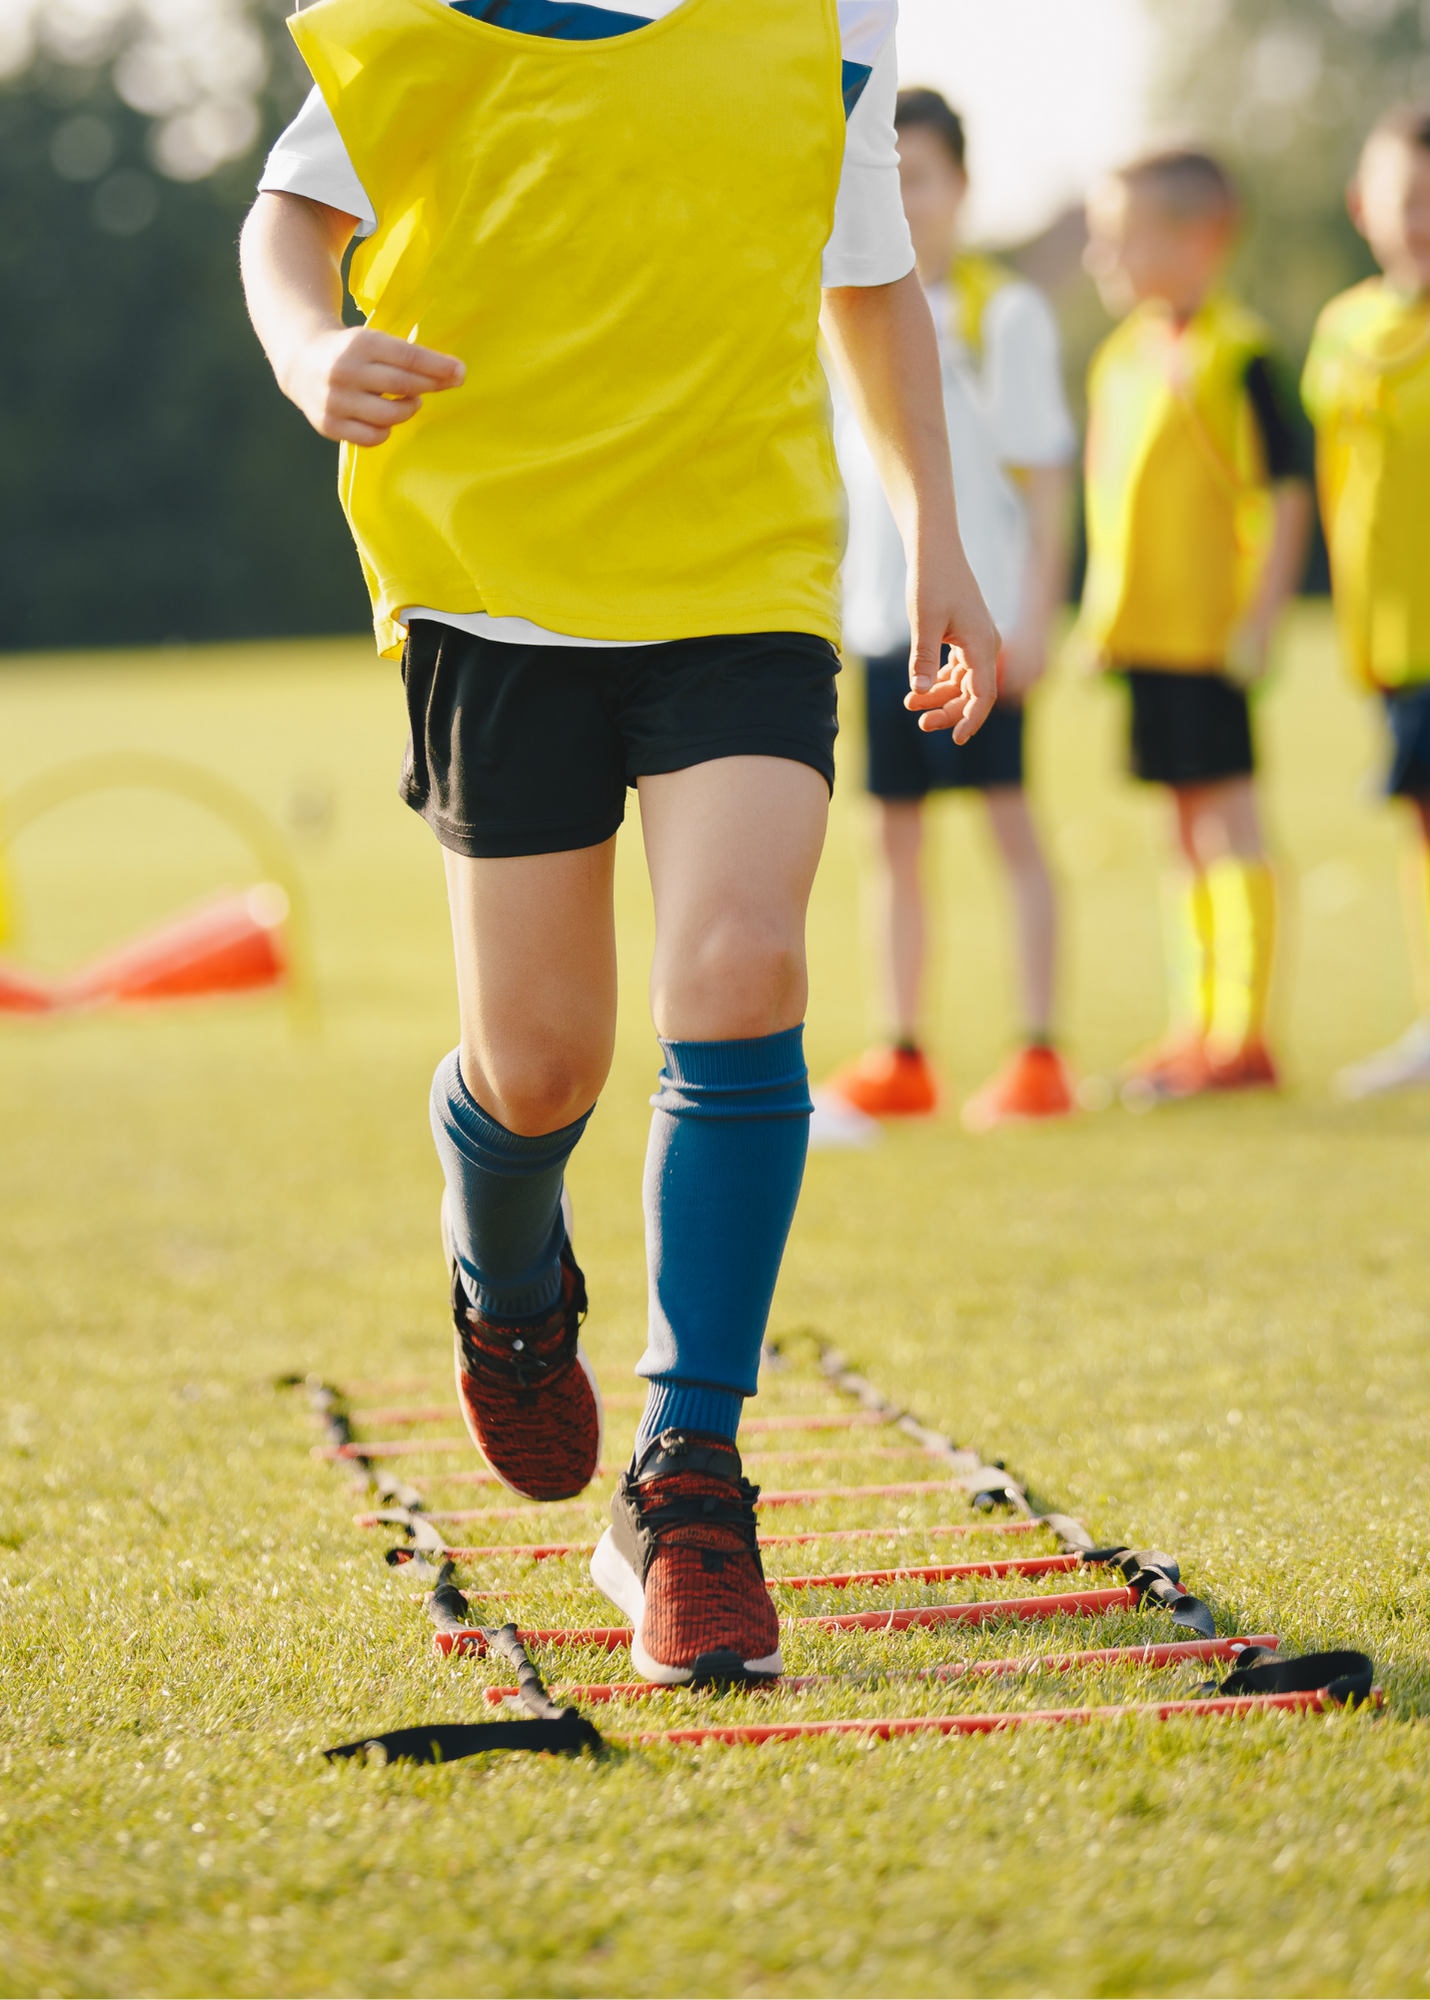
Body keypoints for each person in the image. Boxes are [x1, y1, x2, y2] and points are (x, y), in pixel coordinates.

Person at [238, 0, 999, 1686]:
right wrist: (307, 353)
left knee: (740, 961)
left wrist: (936, 532)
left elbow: (862, 266)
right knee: (538, 1063)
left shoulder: (835, 8)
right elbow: (292, 214)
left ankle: (686, 1483)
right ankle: (506, 1280)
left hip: (742, 560)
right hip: (490, 568)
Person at [824, 88, 1078, 1132]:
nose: (901, 199)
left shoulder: (999, 312)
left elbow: (1049, 478)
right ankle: (902, 1050)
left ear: (959, 188)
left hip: (980, 629)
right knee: (890, 840)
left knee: (1011, 830)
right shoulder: (836, 308)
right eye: (881, 177)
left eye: (917, 176)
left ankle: (1037, 1053)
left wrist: (1034, 614)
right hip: (882, 623)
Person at [1080, 150, 1313, 1101]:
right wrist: (1102, 612)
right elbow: (1110, 495)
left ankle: (1245, 1037)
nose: (1103, 259)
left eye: (1118, 239)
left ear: (1197, 239)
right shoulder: (1120, 357)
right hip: (1145, 642)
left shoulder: (1239, 354)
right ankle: (1195, 1028)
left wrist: (1261, 618)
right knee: (1179, 834)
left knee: (1231, 828)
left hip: (1214, 639)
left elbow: (1288, 494)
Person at [1303, 107, 1430, 1098]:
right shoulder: (1340, 330)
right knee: (1428, 829)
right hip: (1397, 641)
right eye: (1412, 200)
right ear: (1365, 207)